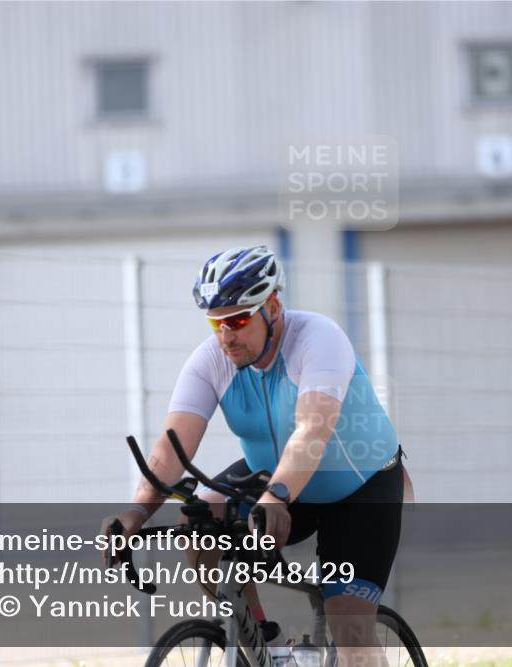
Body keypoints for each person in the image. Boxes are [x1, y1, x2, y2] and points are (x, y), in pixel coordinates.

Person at [102, 245, 409, 666]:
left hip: (359, 490)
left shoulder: (318, 339)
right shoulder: (211, 361)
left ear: (273, 306)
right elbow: (170, 449)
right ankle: (269, 644)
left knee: (351, 629)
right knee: (199, 519)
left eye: (238, 319)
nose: (226, 335)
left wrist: (277, 496)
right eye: (216, 322)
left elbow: (312, 430)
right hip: (276, 480)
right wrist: (136, 513)